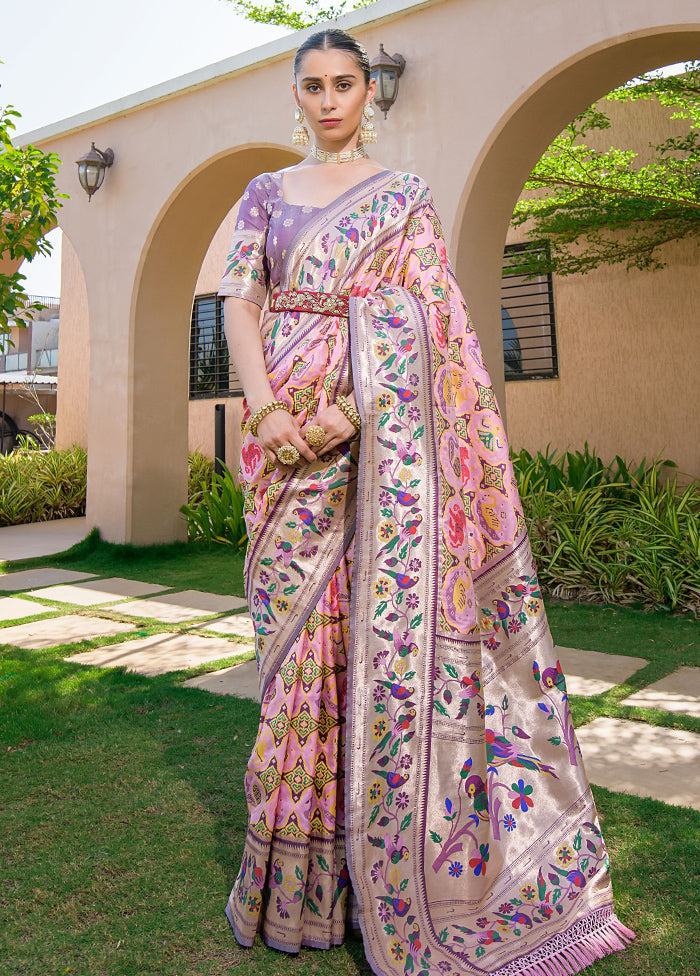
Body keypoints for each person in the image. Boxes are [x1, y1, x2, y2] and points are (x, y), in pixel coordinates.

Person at [218, 27, 634, 976]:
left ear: (371, 93)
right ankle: (298, 885)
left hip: (374, 446)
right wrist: (269, 408)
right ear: (295, 95)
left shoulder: (402, 199)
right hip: (281, 440)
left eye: (345, 84)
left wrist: (353, 410)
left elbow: (431, 322)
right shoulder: (264, 195)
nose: (329, 101)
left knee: (374, 644)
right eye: (313, 85)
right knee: (294, 661)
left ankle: (384, 879)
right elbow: (241, 300)